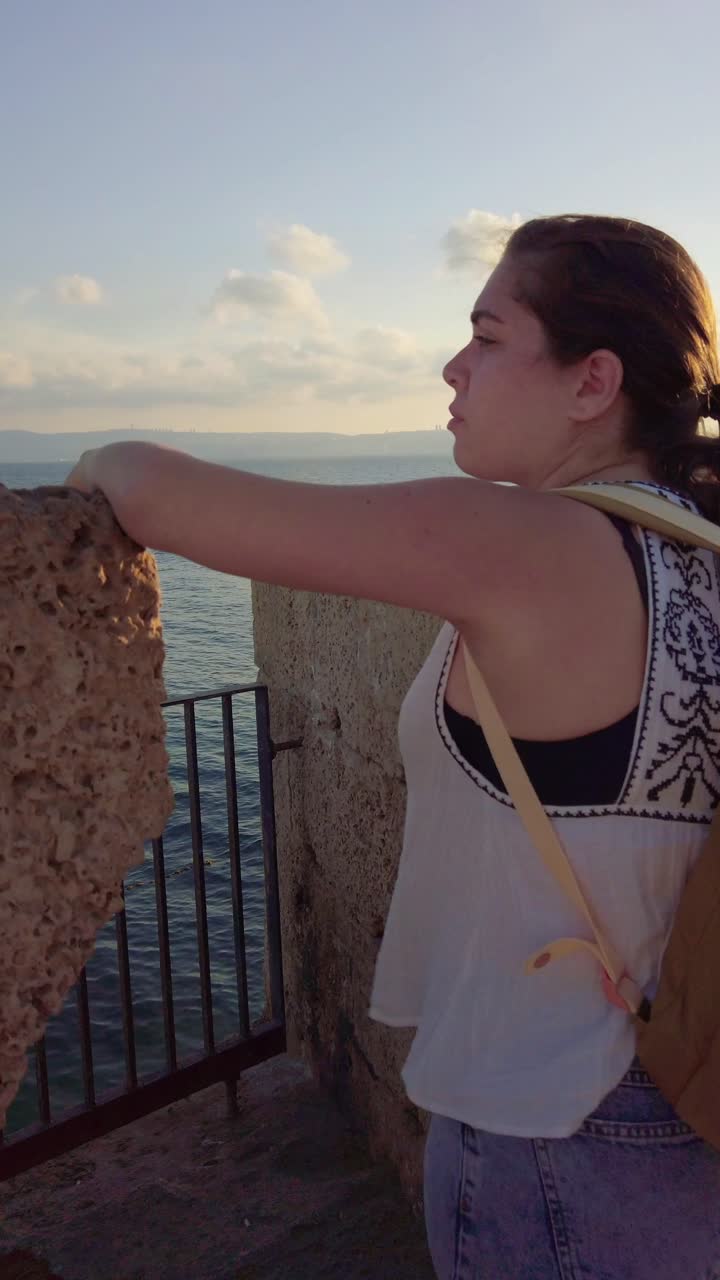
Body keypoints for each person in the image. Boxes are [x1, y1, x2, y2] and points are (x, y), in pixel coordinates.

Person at [66, 214, 720, 1279]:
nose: (453, 364)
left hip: (562, 1127)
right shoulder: (697, 545)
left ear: (592, 380)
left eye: (489, 335)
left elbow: (157, 492)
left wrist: (91, 460)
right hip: (691, 1088)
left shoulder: (530, 543)